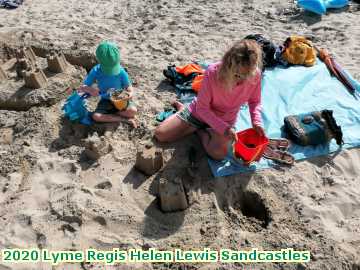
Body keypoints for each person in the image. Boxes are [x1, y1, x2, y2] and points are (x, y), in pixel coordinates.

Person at [155, 39, 265, 160]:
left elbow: (254, 101)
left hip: (225, 120)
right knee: (161, 135)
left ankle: (199, 131)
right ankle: (185, 113)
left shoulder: (255, 74)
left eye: (247, 75)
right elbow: (202, 108)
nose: (242, 80)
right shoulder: (213, 72)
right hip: (200, 113)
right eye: (237, 75)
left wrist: (256, 122)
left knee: (218, 154)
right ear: (228, 66)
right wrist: (224, 129)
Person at [78, 41, 137, 127]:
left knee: (133, 111)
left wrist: (130, 94)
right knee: (96, 116)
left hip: (120, 98)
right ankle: (123, 119)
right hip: (105, 100)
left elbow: (128, 87)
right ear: (99, 61)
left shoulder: (120, 71)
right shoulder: (96, 71)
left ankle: (113, 114)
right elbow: (84, 86)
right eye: (108, 69)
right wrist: (90, 90)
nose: (111, 72)